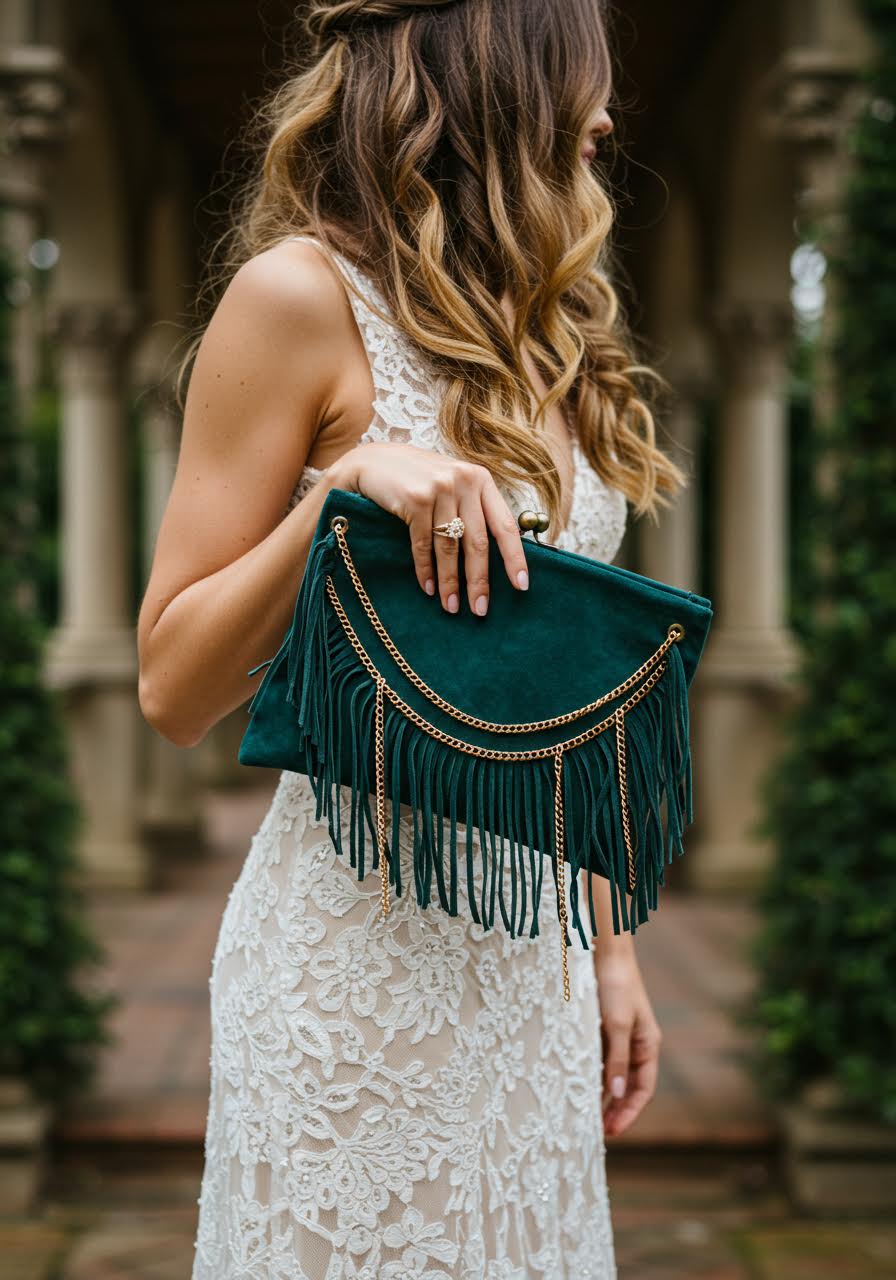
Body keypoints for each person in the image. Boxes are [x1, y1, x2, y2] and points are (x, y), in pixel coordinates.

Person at [138, 1, 688, 1275]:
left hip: (529, 969)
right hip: (350, 982)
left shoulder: (549, 328)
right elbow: (170, 679)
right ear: (499, 86)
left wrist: (609, 951)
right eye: (580, 86)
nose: (605, 117)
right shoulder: (294, 297)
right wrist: (339, 496)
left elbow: (560, 688)